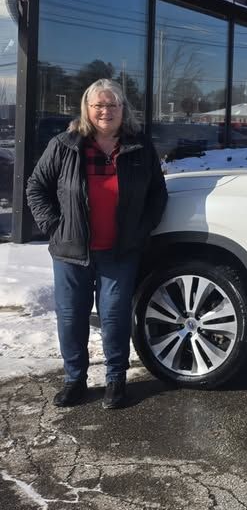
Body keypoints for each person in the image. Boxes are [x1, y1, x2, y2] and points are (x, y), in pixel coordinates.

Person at [26, 79, 167, 409]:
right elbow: (36, 188)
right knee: (71, 317)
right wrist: (55, 226)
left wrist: (140, 230)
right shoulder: (65, 145)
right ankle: (75, 380)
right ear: (87, 109)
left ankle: (115, 380)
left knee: (115, 317)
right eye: (98, 105)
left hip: (119, 251)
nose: (106, 111)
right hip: (71, 252)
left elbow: (157, 195)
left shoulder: (139, 147)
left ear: (123, 109)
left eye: (112, 105)